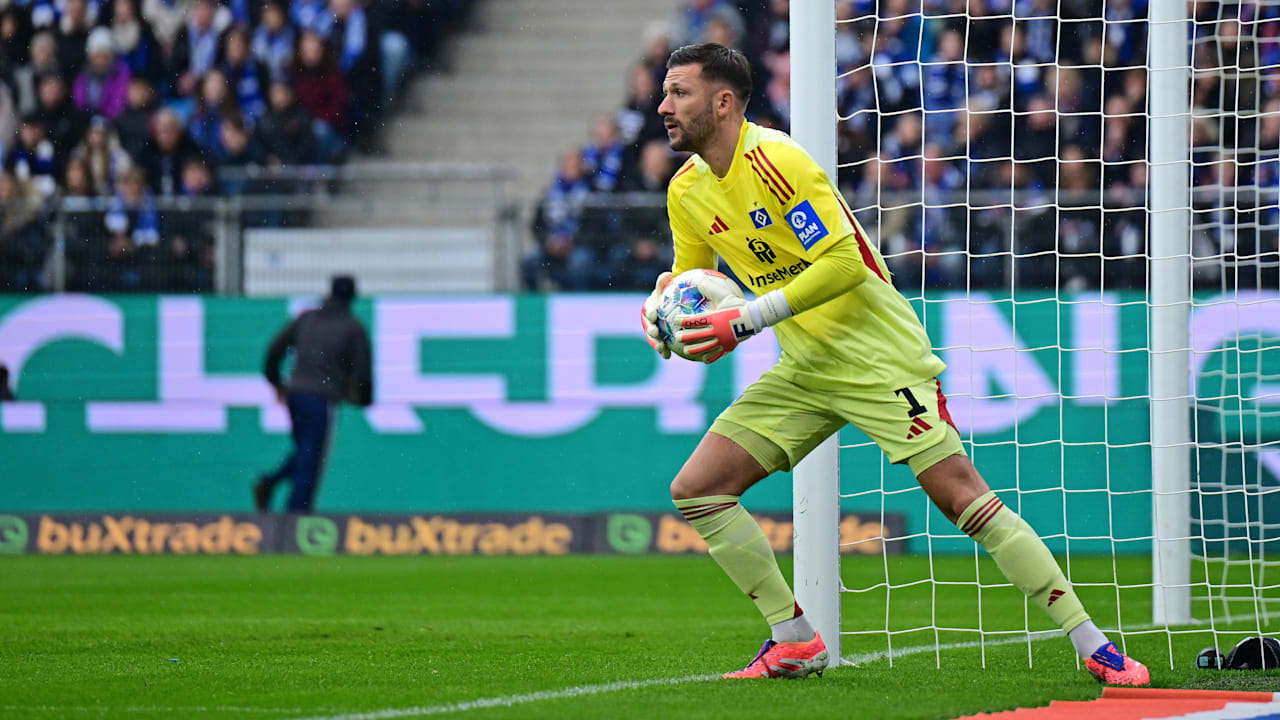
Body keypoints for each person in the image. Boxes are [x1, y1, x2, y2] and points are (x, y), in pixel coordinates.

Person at [640, 43, 1150, 685]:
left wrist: (746, 319)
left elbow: (845, 261)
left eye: (679, 92)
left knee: (963, 498)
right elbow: (693, 279)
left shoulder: (777, 161)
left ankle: (1093, 642)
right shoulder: (685, 190)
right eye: (664, 91)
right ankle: (793, 637)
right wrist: (663, 309)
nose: (663, 106)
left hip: (881, 362)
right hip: (806, 366)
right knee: (699, 491)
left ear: (722, 101)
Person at [257, 275, 373, 513]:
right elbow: (362, 371)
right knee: (311, 459)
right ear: (352, 297)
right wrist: (363, 398)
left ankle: (270, 482)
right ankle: (296, 518)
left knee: (305, 451)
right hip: (322, 398)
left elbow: (274, 350)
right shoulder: (352, 327)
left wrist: (277, 383)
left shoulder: (307, 319)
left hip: (296, 394)